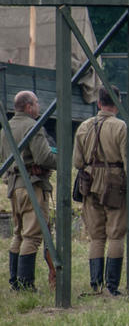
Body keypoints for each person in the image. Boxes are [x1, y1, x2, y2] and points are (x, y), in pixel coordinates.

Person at [73, 86, 129, 295]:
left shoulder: (84, 126)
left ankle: (95, 285)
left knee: (96, 237)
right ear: (118, 102)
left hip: (88, 183)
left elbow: (77, 161)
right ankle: (112, 287)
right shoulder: (121, 127)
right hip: (114, 185)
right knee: (115, 235)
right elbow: (128, 162)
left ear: (98, 103)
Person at [1, 91, 56, 291]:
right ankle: (26, 284)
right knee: (32, 236)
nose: (38, 106)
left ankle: (14, 282)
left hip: (13, 186)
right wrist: (61, 161)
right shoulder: (33, 127)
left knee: (18, 234)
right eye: (36, 103)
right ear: (28, 107)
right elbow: (44, 157)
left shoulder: (5, 128)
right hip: (31, 186)